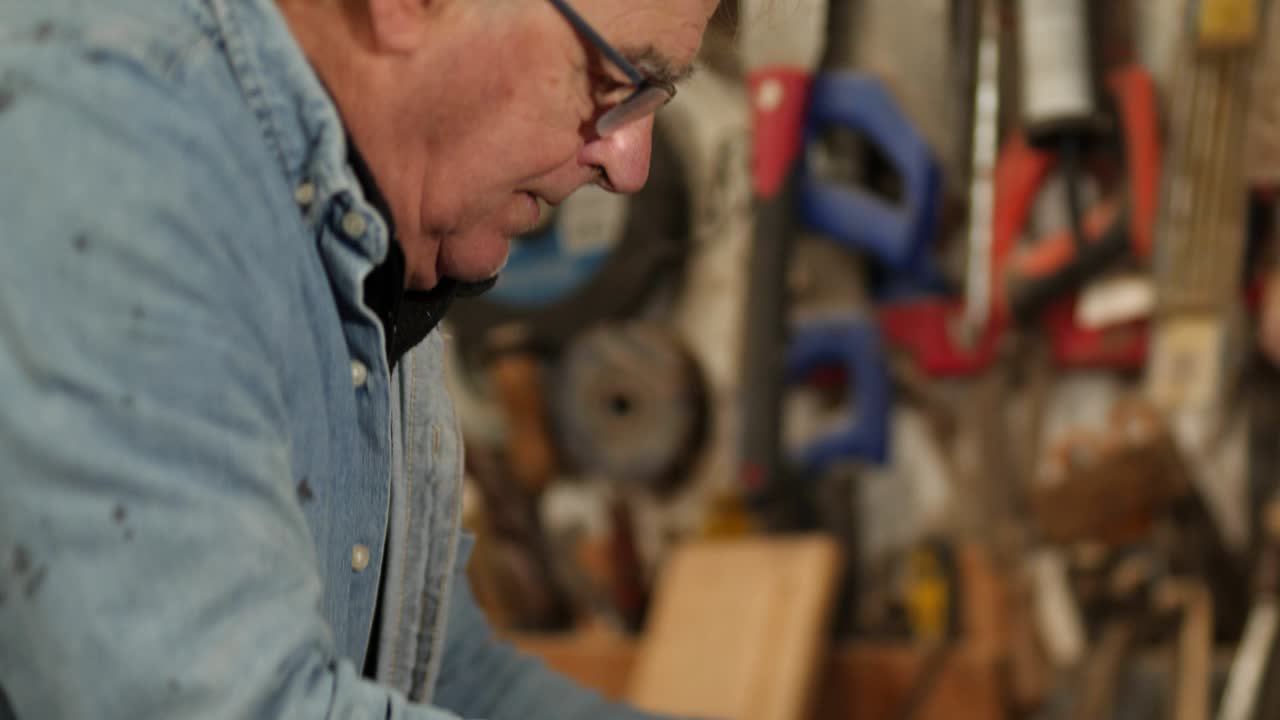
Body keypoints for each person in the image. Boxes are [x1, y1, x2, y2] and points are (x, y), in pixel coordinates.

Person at [0, 0, 717, 717]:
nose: (629, 165)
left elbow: (429, 666)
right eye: (615, 84)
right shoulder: (108, 143)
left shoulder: (375, 233)